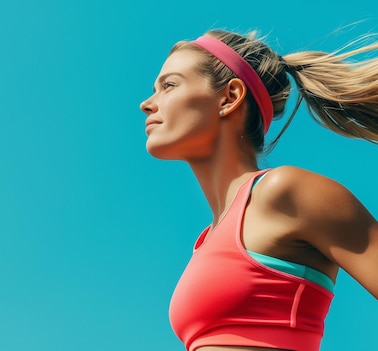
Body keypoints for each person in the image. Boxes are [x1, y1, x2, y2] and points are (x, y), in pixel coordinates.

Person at [139, 29, 378, 351]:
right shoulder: (205, 241)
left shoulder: (285, 192)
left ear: (229, 97)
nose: (146, 104)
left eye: (168, 85)